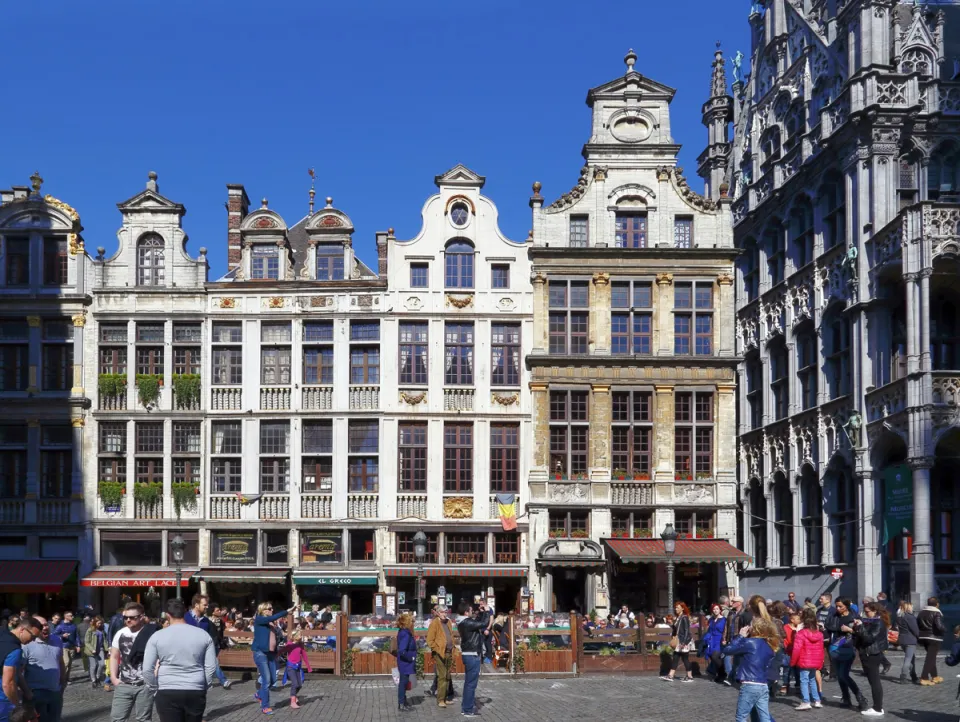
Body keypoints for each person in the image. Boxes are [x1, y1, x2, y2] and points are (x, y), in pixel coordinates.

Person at [142, 598, 216, 722]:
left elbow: (147, 669)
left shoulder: (157, 636)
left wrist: (155, 688)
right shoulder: (203, 635)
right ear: (185, 612)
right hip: (195, 687)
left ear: (167, 615)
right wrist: (204, 685)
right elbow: (211, 666)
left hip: (167, 688)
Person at [722, 617, 779, 722]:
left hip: (749, 684)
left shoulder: (750, 643)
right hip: (763, 684)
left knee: (741, 717)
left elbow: (727, 650)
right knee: (764, 718)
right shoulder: (769, 646)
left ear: (754, 629)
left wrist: (740, 636)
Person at [109, 602, 157, 722]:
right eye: (125, 617)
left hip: (144, 685)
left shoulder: (151, 633)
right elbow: (114, 656)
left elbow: (159, 657)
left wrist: (154, 676)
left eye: (132, 617)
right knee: (117, 718)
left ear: (141, 617)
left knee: (144, 719)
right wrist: (114, 678)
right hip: (123, 684)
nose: (128, 620)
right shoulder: (120, 633)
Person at [252, 601, 296, 715]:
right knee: (266, 681)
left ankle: (259, 694)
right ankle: (265, 706)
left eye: (272, 609)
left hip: (271, 653)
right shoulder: (260, 619)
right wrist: (287, 611)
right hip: (261, 653)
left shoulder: (271, 622)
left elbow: (276, 636)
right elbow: (274, 617)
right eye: (269, 609)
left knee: (273, 680)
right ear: (263, 610)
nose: (272, 611)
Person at [21, 617, 65, 722]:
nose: (45, 628)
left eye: (46, 625)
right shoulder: (27, 644)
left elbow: (60, 662)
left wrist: (63, 681)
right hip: (36, 693)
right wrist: (26, 692)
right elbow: (20, 671)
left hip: (55, 691)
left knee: (55, 719)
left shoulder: (57, 640)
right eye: (41, 626)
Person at [827, 597, 867, 710]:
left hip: (848, 647)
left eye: (840, 606)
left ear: (847, 606)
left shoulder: (854, 617)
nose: (838, 608)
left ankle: (860, 698)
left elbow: (862, 633)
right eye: (837, 606)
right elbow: (829, 626)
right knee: (840, 676)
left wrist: (850, 630)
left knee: (844, 675)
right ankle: (846, 698)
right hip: (835, 647)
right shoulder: (834, 615)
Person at [184, 595, 231, 691]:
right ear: (196, 605)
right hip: (186, 657)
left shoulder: (206, 622)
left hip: (201, 659)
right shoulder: (185, 618)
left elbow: (211, 638)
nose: (207, 607)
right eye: (204, 605)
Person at [0, 618, 41, 722]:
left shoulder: (3, 635)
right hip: (4, 702)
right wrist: (18, 706)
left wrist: (26, 691)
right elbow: (7, 683)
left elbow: (16, 672)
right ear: (22, 629)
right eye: (33, 636)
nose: (33, 640)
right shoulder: (14, 650)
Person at [854, 601, 890, 717]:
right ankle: (877, 707)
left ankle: (878, 708)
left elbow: (869, 638)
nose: (865, 613)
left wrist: (860, 627)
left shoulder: (878, 622)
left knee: (874, 681)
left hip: (872, 654)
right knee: (872, 681)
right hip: (867, 653)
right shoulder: (872, 621)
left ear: (875, 611)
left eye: (867, 611)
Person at [456, 602, 488, 718]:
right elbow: (483, 623)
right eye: (470, 610)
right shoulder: (466, 622)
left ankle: (466, 707)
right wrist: (488, 611)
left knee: (469, 683)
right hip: (472, 655)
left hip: (470, 654)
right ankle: (467, 710)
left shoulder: (465, 622)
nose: (472, 612)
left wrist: (482, 612)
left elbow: (478, 623)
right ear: (466, 612)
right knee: (471, 684)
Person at [790, 608, 824, 710]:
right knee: (812, 680)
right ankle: (817, 700)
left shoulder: (801, 633)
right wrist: (820, 663)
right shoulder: (819, 634)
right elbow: (821, 649)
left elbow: (796, 649)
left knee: (804, 680)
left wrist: (793, 662)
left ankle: (806, 701)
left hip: (804, 660)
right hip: (815, 661)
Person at [426, 605, 455, 707]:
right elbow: (429, 640)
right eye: (442, 612)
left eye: (446, 612)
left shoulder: (448, 622)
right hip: (440, 653)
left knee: (447, 676)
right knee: (442, 675)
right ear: (438, 613)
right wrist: (437, 649)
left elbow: (451, 635)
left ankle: (445, 697)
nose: (445, 614)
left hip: (449, 652)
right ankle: (440, 700)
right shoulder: (434, 623)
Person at [663, 601, 695, 683]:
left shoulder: (684, 617)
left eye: (677, 607)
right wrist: (671, 624)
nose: (676, 609)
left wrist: (684, 643)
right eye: (676, 607)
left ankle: (689, 676)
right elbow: (676, 629)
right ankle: (671, 675)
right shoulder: (678, 617)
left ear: (682, 608)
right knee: (676, 657)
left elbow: (687, 631)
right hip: (679, 641)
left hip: (683, 641)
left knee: (685, 659)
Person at [917, 596, 945, 685]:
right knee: (930, 658)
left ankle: (935, 676)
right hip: (933, 638)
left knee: (931, 657)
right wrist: (945, 630)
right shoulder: (936, 613)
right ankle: (924, 677)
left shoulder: (921, 612)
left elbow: (917, 623)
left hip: (923, 637)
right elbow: (939, 625)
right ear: (937, 604)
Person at [281, 630, 311, 710]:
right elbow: (282, 650)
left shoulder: (300, 645)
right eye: (300, 635)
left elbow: (304, 655)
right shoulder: (290, 644)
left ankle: (293, 695)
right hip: (291, 667)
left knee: (299, 684)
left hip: (298, 667)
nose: (301, 636)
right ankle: (293, 701)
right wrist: (275, 656)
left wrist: (308, 666)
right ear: (295, 636)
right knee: (295, 683)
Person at [395, 613, 417, 712]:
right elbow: (402, 651)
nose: (413, 623)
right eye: (412, 621)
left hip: (404, 662)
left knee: (404, 682)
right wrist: (411, 658)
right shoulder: (405, 634)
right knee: (403, 683)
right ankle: (401, 703)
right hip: (405, 663)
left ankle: (403, 701)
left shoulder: (404, 632)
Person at [896, 600, 920, 685]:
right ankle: (903, 676)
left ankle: (913, 675)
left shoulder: (900, 616)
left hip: (902, 639)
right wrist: (919, 637)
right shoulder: (910, 617)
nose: (912, 608)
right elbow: (915, 630)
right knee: (908, 659)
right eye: (911, 606)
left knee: (911, 658)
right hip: (910, 639)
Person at [51, 613, 78, 684]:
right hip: (63, 646)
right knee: (66, 662)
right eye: (71, 616)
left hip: (71, 646)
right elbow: (54, 635)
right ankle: (61, 678)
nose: (73, 617)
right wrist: (62, 635)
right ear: (66, 617)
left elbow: (76, 636)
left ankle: (67, 678)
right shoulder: (60, 626)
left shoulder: (73, 625)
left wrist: (78, 645)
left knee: (70, 664)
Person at [701, 603, 726, 678]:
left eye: (717, 609)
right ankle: (719, 674)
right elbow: (708, 630)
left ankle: (723, 673)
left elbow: (725, 630)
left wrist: (725, 639)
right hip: (711, 640)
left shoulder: (724, 619)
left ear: (720, 610)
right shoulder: (711, 619)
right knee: (712, 656)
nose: (715, 610)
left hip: (719, 640)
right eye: (714, 609)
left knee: (715, 656)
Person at [83, 617, 109, 691]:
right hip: (91, 650)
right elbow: (86, 641)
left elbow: (104, 641)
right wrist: (92, 649)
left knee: (102, 664)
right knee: (93, 666)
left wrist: (107, 649)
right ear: (95, 623)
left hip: (100, 649)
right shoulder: (90, 630)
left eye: (101, 623)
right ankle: (93, 680)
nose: (100, 624)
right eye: (98, 623)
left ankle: (97, 677)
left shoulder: (101, 630)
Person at [815, 593, 835, 680]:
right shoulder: (819, 610)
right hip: (819, 636)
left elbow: (835, 624)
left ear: (828, 600)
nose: (820, 600)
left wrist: (826, 627)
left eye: (821, 599)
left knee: (832, 656)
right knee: (818, 655)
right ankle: (823, 671)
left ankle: (833, 675)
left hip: (830, 636)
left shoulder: (834, 611)